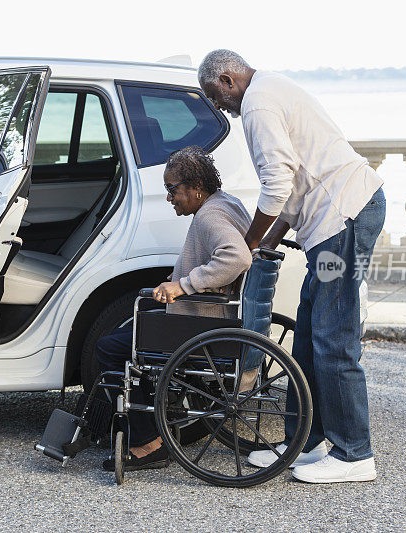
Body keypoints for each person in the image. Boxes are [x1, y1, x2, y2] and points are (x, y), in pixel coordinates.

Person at [198, 50, 386, 483]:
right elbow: (295, 187)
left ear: (227, 79)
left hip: (344, 221)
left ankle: (354, 454)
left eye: (216, 96)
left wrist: (246, 244)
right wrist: (268, 238)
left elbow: (278, 183)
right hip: (334, 223)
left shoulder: (257, 104)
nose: (219, 106)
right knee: (309, 332)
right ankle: (304, 442)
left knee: (333, 336)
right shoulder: (269, 89)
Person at [97, 145, 253, 472]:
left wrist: (183, 285)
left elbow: (237, 257)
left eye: (172, 189)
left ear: (197, 187)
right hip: (211, 318)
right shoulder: (226, 203)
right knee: (128, 333)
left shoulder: (210, 215)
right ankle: (150, 424)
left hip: (198, 325)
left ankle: (147, 443)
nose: (169, 197)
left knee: (109, 349)